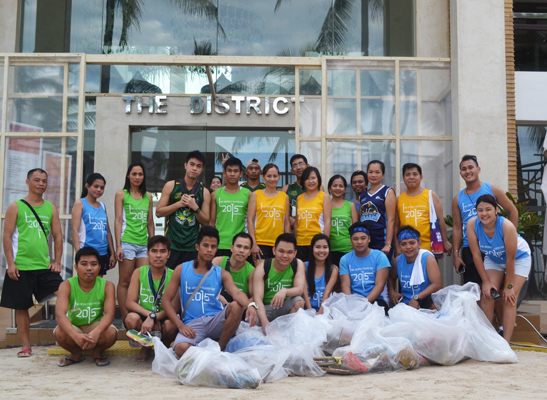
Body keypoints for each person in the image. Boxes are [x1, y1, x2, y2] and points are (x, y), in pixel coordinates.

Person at [161, 226, 258, 357]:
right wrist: (180, 326)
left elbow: (237, 293)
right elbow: (165, 300)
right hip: (192, 323)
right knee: (180, 348)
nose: (209, 250)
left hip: (215, 320)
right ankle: (207, 353)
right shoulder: (181, 269)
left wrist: (250, 305)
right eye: (205, 245)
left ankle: (219, 349)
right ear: (197, 247)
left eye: (213, 247)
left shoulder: (221, 273)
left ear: (217, 249)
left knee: (237, 306)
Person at [0, 168, 63, 358]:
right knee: (22, 307)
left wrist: (58, 261)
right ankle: (26, 346)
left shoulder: (50, 208)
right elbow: (7, 236)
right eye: (37, 180)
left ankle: (63, 336)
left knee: (65, 294)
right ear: (28, 182)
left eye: (44, 180)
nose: (41, 184)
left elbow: (58, 236)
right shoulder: (16, 206)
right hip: (21, 267)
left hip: (44, 266)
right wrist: (10, 264)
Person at [467, 194, 531, 343]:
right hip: (493, 258)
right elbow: (476, 255)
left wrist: (509, 287)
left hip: (519, 258)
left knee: (509, 298)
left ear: (496, 210)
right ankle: (487, 340)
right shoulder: (472, 224)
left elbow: (511, 259)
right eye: (480, 210)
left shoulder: (506, 226)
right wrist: (486, 282)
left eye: (488, 209)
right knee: (490, 294)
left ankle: (505, 344)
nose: (484, 213)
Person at [452, 155, 519, 284]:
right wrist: (456, 255)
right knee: (474, 290)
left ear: (478, 169)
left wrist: (511, 237)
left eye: (471, 167)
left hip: (494, 246)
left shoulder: (492, 190)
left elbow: (513, 211)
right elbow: (457, 227)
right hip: (470, 249)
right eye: (464, 169)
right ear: (461, 173)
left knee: (496, 288)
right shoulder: (457, 199)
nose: (468, 171)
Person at [54, 247, 117, 367]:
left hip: (96, 324)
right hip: (75, 325)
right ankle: (76, 354)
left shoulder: (107, 286)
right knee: (60, 332)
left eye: (94, 264)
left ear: (99, 267)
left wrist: (97, 331)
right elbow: (60, 314)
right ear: (76, 267)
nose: (89, 268)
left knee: (111, 333)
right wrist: (74, 335)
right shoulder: (66, 285)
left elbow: (110, 314)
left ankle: (98, 352)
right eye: (84, 264)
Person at [124, 236, 179, 361]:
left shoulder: (174, 274)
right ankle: (146, 347)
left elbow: (174, 308)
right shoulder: (139, 272)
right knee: (131, 319)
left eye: (162, 251)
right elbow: (130, 303)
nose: (158, 255)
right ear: (148, 253)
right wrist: (150, 316)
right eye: (154, 251)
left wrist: (155, 317)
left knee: (171, 325)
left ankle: (163, 349)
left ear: (169, 254)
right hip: (145, 315)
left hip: (165, 316)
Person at [156, 150, 211, 269]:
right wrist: (179, 204)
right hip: (172, 244)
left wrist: (195, 208)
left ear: (202, 170)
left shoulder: (204, 192)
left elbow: (206, 222)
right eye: (192, 164)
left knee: (189, 283)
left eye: (198, 166)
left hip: (192, 246)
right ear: (185, 165)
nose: (194, 168)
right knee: (170, 282)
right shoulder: (171, 185)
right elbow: (158, 212)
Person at [114, 162, 155, 317]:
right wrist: (118, 246)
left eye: (140, 174)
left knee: (143, 282)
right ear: (128, 175)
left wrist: (153, 246)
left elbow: (150, 222)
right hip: (127, 243)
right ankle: (126, 319)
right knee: (125, 282)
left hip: (144, 245)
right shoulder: (121, 194)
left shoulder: (148, 196)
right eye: (134, 174)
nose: (137, 177)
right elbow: (118, 220)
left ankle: (141, 317)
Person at [253, 233, 306, 333]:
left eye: (289, 252)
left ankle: (288, 332)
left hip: (285, 308)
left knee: (299, 301)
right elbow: (257, 299)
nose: (285, 255)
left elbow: (299, 290)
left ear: (295, 253)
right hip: (266, 308)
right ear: (274, 250)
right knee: (252, 322)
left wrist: (284, 291)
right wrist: (265, 323)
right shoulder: (263, 267)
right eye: (281, 251)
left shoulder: (297, 264)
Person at [396, 163, 452, 256]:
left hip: (429, 249)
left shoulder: (430, 195)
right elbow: (396, 226)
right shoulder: (398, 200)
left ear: (421, 177)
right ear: (403, 178)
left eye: (415, 174)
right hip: (406, 251)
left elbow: (440, 219)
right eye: (408, 174)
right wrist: (397, 247)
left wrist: (445, 241)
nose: (411, 177)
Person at [340, 221, 391, 312]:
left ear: (369, 239)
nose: (359, 242)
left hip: (377, 301)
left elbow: (379, 285)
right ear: (351, 240)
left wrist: (364, 304)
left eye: (363, 238)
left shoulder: (380, 256)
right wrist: (351, 303)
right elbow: (345, 285)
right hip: (353, 302)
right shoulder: (345, 259)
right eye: (355, 239)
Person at [71, 173, 116, 277]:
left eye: (102, 187)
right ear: (87, 186)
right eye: (96, 186)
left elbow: (107, 232)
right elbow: (74, 230)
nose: (99, 190)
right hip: (86, 252)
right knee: (85, 285)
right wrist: (78, 254)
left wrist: (112, 253)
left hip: (102, 253)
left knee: (99, 284)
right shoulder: (80, 203)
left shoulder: (102, 206)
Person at [388, 226, 442, 310]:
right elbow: (391, 278)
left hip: (425, 300)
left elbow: (437, 284)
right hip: (407, 302)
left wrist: (416, 298)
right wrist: (392, 292)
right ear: (399, 246)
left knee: (433, 304)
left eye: (412, 243)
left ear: (419, 244)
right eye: (403, 244)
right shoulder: (397, 261)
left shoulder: (427, 258)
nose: (408, 247)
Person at [247, 163, 291, 262]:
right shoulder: (256, 195)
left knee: (276, 275)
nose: (272, 179)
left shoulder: (284, 196)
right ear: (263, 177)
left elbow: (287, 222)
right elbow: (249, 220)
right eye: (269, 176)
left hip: (279, 244)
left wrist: (288, 244)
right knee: (261, 274)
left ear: (279, 177)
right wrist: (253, 243)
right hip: (260, 243)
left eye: (275, 176)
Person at [210, 157, 251, 258]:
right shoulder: (215, 194)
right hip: (220, 244)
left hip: (240, 245)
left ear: (241, 174)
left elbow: (250, 221)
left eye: (236, 171)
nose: (232, 174)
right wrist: (211, 244)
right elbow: (212, 222)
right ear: (224, 172)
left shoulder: (248, 194)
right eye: (229, 171)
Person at [360, 160, 396, 259]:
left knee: (383, 272)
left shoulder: (387, 192)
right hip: (366, 241)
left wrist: (388, 244)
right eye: (370, 172)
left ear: (383, 174)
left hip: (382, 240)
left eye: (377, 172)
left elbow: (391, 220)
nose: (373, 175)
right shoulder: (363, 196)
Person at [295, 166, 332, 262]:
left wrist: (325, 243)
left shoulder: (324, 196)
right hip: (301, 243)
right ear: (303, 181)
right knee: (301, 272)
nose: (310, 181)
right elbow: (296, 222)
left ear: (318, 179)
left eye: (313, 178)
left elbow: (328, 222)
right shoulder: (299, 198)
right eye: (307, 178)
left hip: (317, 242)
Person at [212, 232, 255, 305]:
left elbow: (254, 297)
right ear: (232, 248)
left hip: (237, 308)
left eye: (246, 248)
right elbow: (206, 286)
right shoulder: (218, 262)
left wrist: (242, 307)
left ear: (250, 252)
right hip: (214, 304)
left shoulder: (251, 271)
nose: (241, 250)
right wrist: (218, 297)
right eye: (238, 246)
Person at [303, 234, 339, 314]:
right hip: (306, 311)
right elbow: (304, 291)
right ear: (312, 248)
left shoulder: (333, 269)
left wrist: (320, 312)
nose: (322, 250)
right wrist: (311, 311)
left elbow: (327, 292)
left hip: (324, 311)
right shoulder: (303, 266)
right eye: (318, 247)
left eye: (325, 247)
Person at [328, 174, 358, 266]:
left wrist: (354, 248)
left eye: (341, 186)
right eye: (335, 185)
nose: (338, 188)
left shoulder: (351, 205)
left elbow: (356, 229)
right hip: (329, 250)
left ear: (345, 189)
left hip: (348, 250)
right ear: (329, 188)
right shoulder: (324, 206)